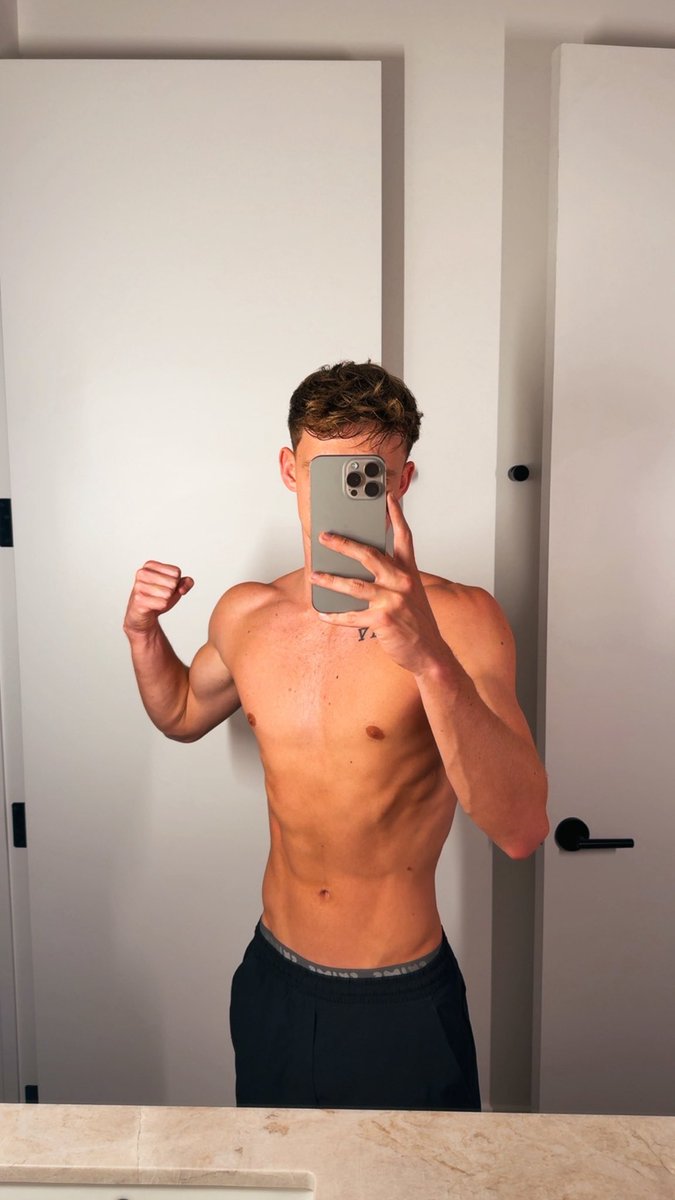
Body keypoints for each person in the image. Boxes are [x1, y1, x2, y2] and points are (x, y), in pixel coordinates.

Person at [123, 361, 549, 1112]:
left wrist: (427, 657)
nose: (346, 497)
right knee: (276, 1171)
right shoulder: (247, 612)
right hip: (273, 979)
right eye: (328, 474)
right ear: (290, 470)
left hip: (399, 999)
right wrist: (141, 635)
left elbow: (519, 829)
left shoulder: (461, 620)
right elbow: (182, 714)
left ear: (402, 480)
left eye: (369, 476)